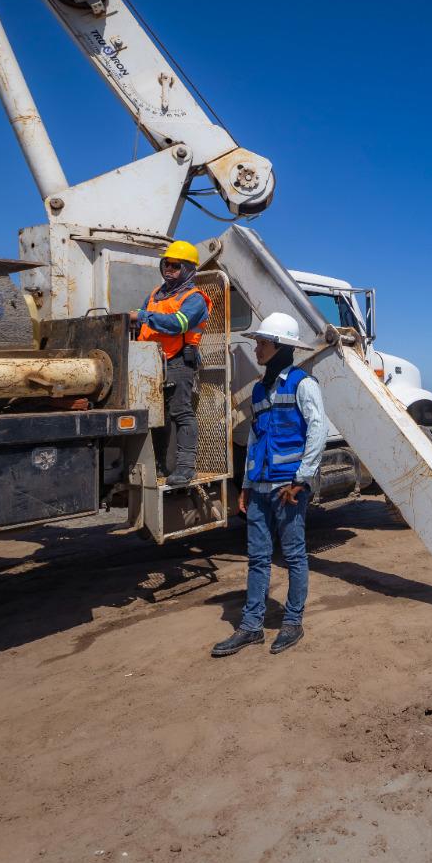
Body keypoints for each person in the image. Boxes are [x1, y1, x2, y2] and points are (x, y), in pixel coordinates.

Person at [211, 312, 326, 657]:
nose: (256, 348)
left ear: (278, 347)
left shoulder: (303, 384)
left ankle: (292, 622)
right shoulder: (260, 390)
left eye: (261, 343)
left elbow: (317, 431)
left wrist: (301, 479)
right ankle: (251, 628)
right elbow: (256, 440)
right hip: (259, 488)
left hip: (287, 489)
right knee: (258, 558)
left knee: (293, 556)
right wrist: (245, 485)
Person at [135, 240, 211, 486]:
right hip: (150, 362)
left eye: (175, 265)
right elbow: (143, 321)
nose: (168, 269)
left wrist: (143, 316)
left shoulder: (194, 298)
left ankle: (186, 467)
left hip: (179, 360)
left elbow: (178, 324)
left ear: (189, 269)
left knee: (181, 412)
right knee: (158, 415)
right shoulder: (155, 294)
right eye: (166, 263)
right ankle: (159, 464)